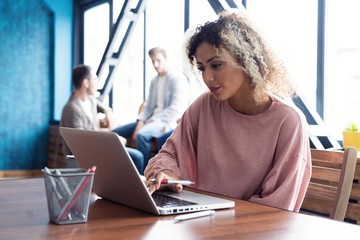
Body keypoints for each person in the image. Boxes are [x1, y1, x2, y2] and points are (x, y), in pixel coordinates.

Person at [144, 9, 312, 212]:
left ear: (245, 60)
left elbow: (276, 206)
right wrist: (167, 173)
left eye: (216, 65)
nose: (207, 78)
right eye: (201, 68)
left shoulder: (288, 121)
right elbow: (167, 155)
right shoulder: (204, 106)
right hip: (202, 221)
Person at [60, 64, 146, 174]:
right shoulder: (72, 108)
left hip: (96, 146)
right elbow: (81, 144)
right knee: (137, 157)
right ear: (86, 83)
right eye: (95, 79)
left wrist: (107, 114)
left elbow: (104, 108)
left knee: (134, 126)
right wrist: (114, 142)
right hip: (87, 154)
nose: (97, 82)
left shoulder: (90, 100)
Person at [112, 47, 190, 164]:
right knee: (114, 133)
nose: (155, 64)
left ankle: (145, 172)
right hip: (150, 120)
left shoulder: (177, 79)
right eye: (153, 61)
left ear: (166, 59)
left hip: (165, 121)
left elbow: (174, 110)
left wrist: (149, 121)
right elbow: (148, 106)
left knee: (141, 135)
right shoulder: (155, 80)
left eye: (158, 60)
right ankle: (118, 165)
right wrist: (140, 122)